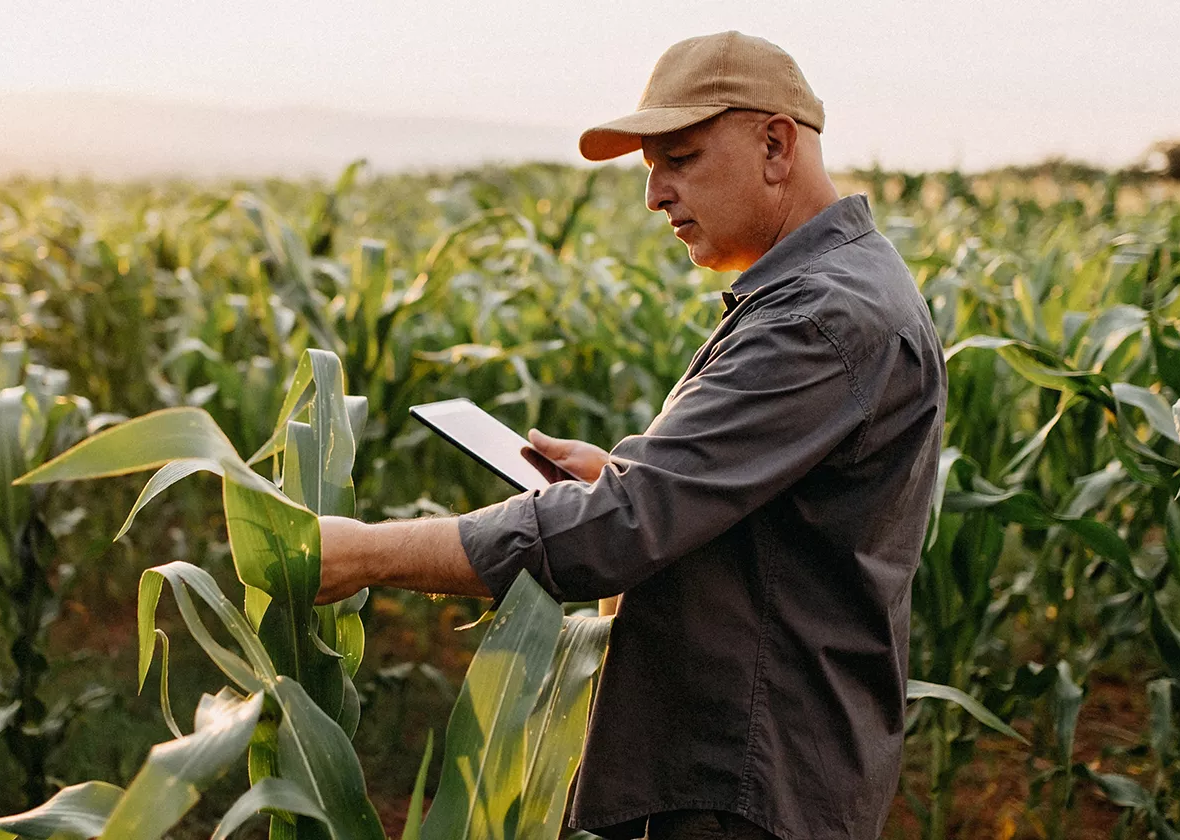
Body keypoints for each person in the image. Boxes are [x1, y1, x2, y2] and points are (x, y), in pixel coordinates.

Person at [316, 31, 946, 840]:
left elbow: (619, 533)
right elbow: (771, 519)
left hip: (746, 780)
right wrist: (622, 478)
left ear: (776, 145)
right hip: (756, 760)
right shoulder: (830, 291)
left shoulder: (820, 318)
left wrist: (362, 553)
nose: (654, 194)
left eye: (678, 158)